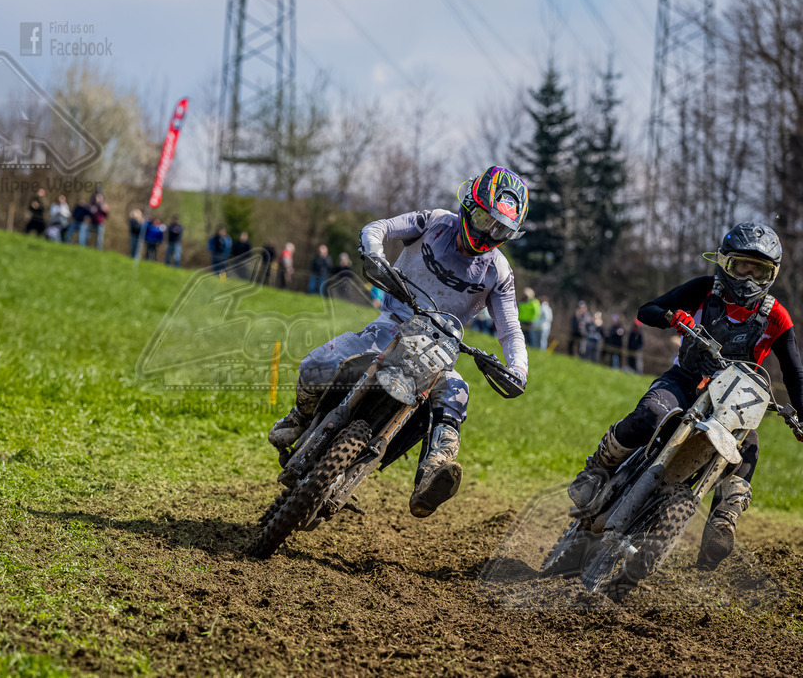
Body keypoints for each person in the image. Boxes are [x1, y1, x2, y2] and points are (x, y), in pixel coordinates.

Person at [269, 166, 530, 518]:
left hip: (441, 350)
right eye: (485, 218)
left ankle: (432, 472)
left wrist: (517, 367)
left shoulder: (498, 271)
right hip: (392, 324)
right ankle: (301, 415)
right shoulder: (436, 222)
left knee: (456, 391)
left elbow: (510, 329)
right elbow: (381, 227)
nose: (488, 232)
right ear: (468, 204)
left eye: (500, 228)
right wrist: (374, 253)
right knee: (319, 363)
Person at [567, 222, 803, 570]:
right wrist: (670, 316)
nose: (749, 278)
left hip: (733, 404)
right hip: (685, 379)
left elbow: (795, 373)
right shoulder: (706, 290)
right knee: (649, 415)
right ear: (726, 263)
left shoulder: (777, 316)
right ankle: (597, 469)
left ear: (772, 274)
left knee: (748, 448)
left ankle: (722, 524)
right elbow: (646, 310)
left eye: (760, 269)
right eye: (742, 266)